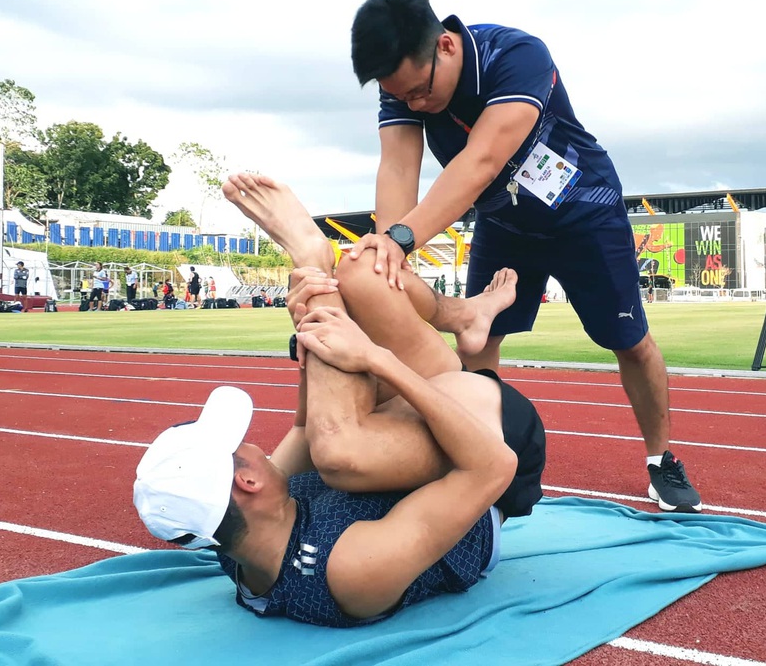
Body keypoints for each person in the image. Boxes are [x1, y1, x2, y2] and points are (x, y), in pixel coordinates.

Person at [134, 173, 544, 627]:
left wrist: (308, 334)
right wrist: (378, 360)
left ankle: (439, 309)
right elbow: (493, 467)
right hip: (497, 438)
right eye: (237, 449)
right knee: (338, 452)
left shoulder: (242, 545)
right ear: (246, 483)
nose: (251, 446)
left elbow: (304, 428)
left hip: (412, 433)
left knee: (364, 273)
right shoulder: (348, 570)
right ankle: (315, 261)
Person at [349, 0, 700, 512]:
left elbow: (482, 161)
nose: (416, 105)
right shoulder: (402, 87)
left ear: (444, 46)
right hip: (505, 222)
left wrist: (403, 239)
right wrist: (384, 249)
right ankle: (478, 459)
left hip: (583, 213)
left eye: (420, 92)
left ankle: (661, 459)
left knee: (630, 342)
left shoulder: (515, 55)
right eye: (402, 99)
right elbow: (399, 167)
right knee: (478, 338)